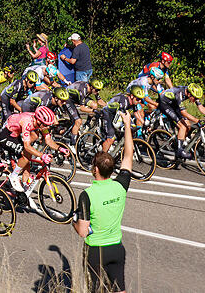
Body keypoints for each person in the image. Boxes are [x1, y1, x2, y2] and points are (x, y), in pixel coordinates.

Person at [73, 111, 134, 293]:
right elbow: (128, 155)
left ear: (95, 170)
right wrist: (127, 125)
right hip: (117, 248)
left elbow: (83, 232)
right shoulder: (120, 186)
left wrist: (73, 222)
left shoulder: (87, 195)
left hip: (96, 251)